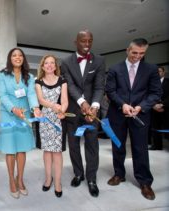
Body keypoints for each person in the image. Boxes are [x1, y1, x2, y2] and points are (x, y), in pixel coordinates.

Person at [105, 38, 162, 200]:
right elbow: (110, 91)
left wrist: (140, 107)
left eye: (142, 53)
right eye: (134, 52)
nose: (138, 56)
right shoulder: (115, 69)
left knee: (140, 149)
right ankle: (119, 174)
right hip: (118, 114)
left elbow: (155, 93)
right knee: (118, 146)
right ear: (127, 50)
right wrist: (122, 104)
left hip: (140, 115)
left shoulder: (151, 69)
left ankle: (145, 182)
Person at [61, 30, 105, 197]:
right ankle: (78, 173)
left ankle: (91, 178)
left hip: (91, 114)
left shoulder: (100, 60)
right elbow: (70, 85)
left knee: (92, 144)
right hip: (73, 111)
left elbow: (100, 86)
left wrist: (93, 106)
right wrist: (82, 102)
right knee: (73, 144)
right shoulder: (65, 62)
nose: (87, 44)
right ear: (75, 42)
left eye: (90, 41)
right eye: (83, 41)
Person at [0, 48, 41, 199]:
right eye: (14, 55)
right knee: (10, 149)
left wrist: (35, 108)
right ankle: (11, 180)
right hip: (9, 114)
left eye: (20, 55)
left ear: (23, 59)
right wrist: (13, 109)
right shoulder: (2, 75)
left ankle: (20, 179)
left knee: (21, 149)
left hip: (24, 114)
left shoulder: (29, 76)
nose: (17, 57)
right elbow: (2, 95)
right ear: (10, 58)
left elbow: (31, 94)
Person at [35, 55, 68, 198]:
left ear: (55, 66)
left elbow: (65, 101)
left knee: (57, 153)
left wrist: (62, 110)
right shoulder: (38, 82)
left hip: (58, 120)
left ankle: (58, 182)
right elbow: (41, 100)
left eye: (52, 63)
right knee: (47, 152)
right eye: (46, 63)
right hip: (44, 120)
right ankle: (49, 179)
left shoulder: (62, 81)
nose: (49, 65)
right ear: (43, 67)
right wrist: (54, 106)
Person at [149, 66, 169, 150]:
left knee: (167, 126)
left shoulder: (168, 82)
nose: (158, 73)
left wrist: (163, 104)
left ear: (164, 72)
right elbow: (148, 95)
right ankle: (157, 145)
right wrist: (154, 105)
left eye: (159, 71)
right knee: (155, 127)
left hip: (166, 108)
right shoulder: (151, 84)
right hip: (154, 109)